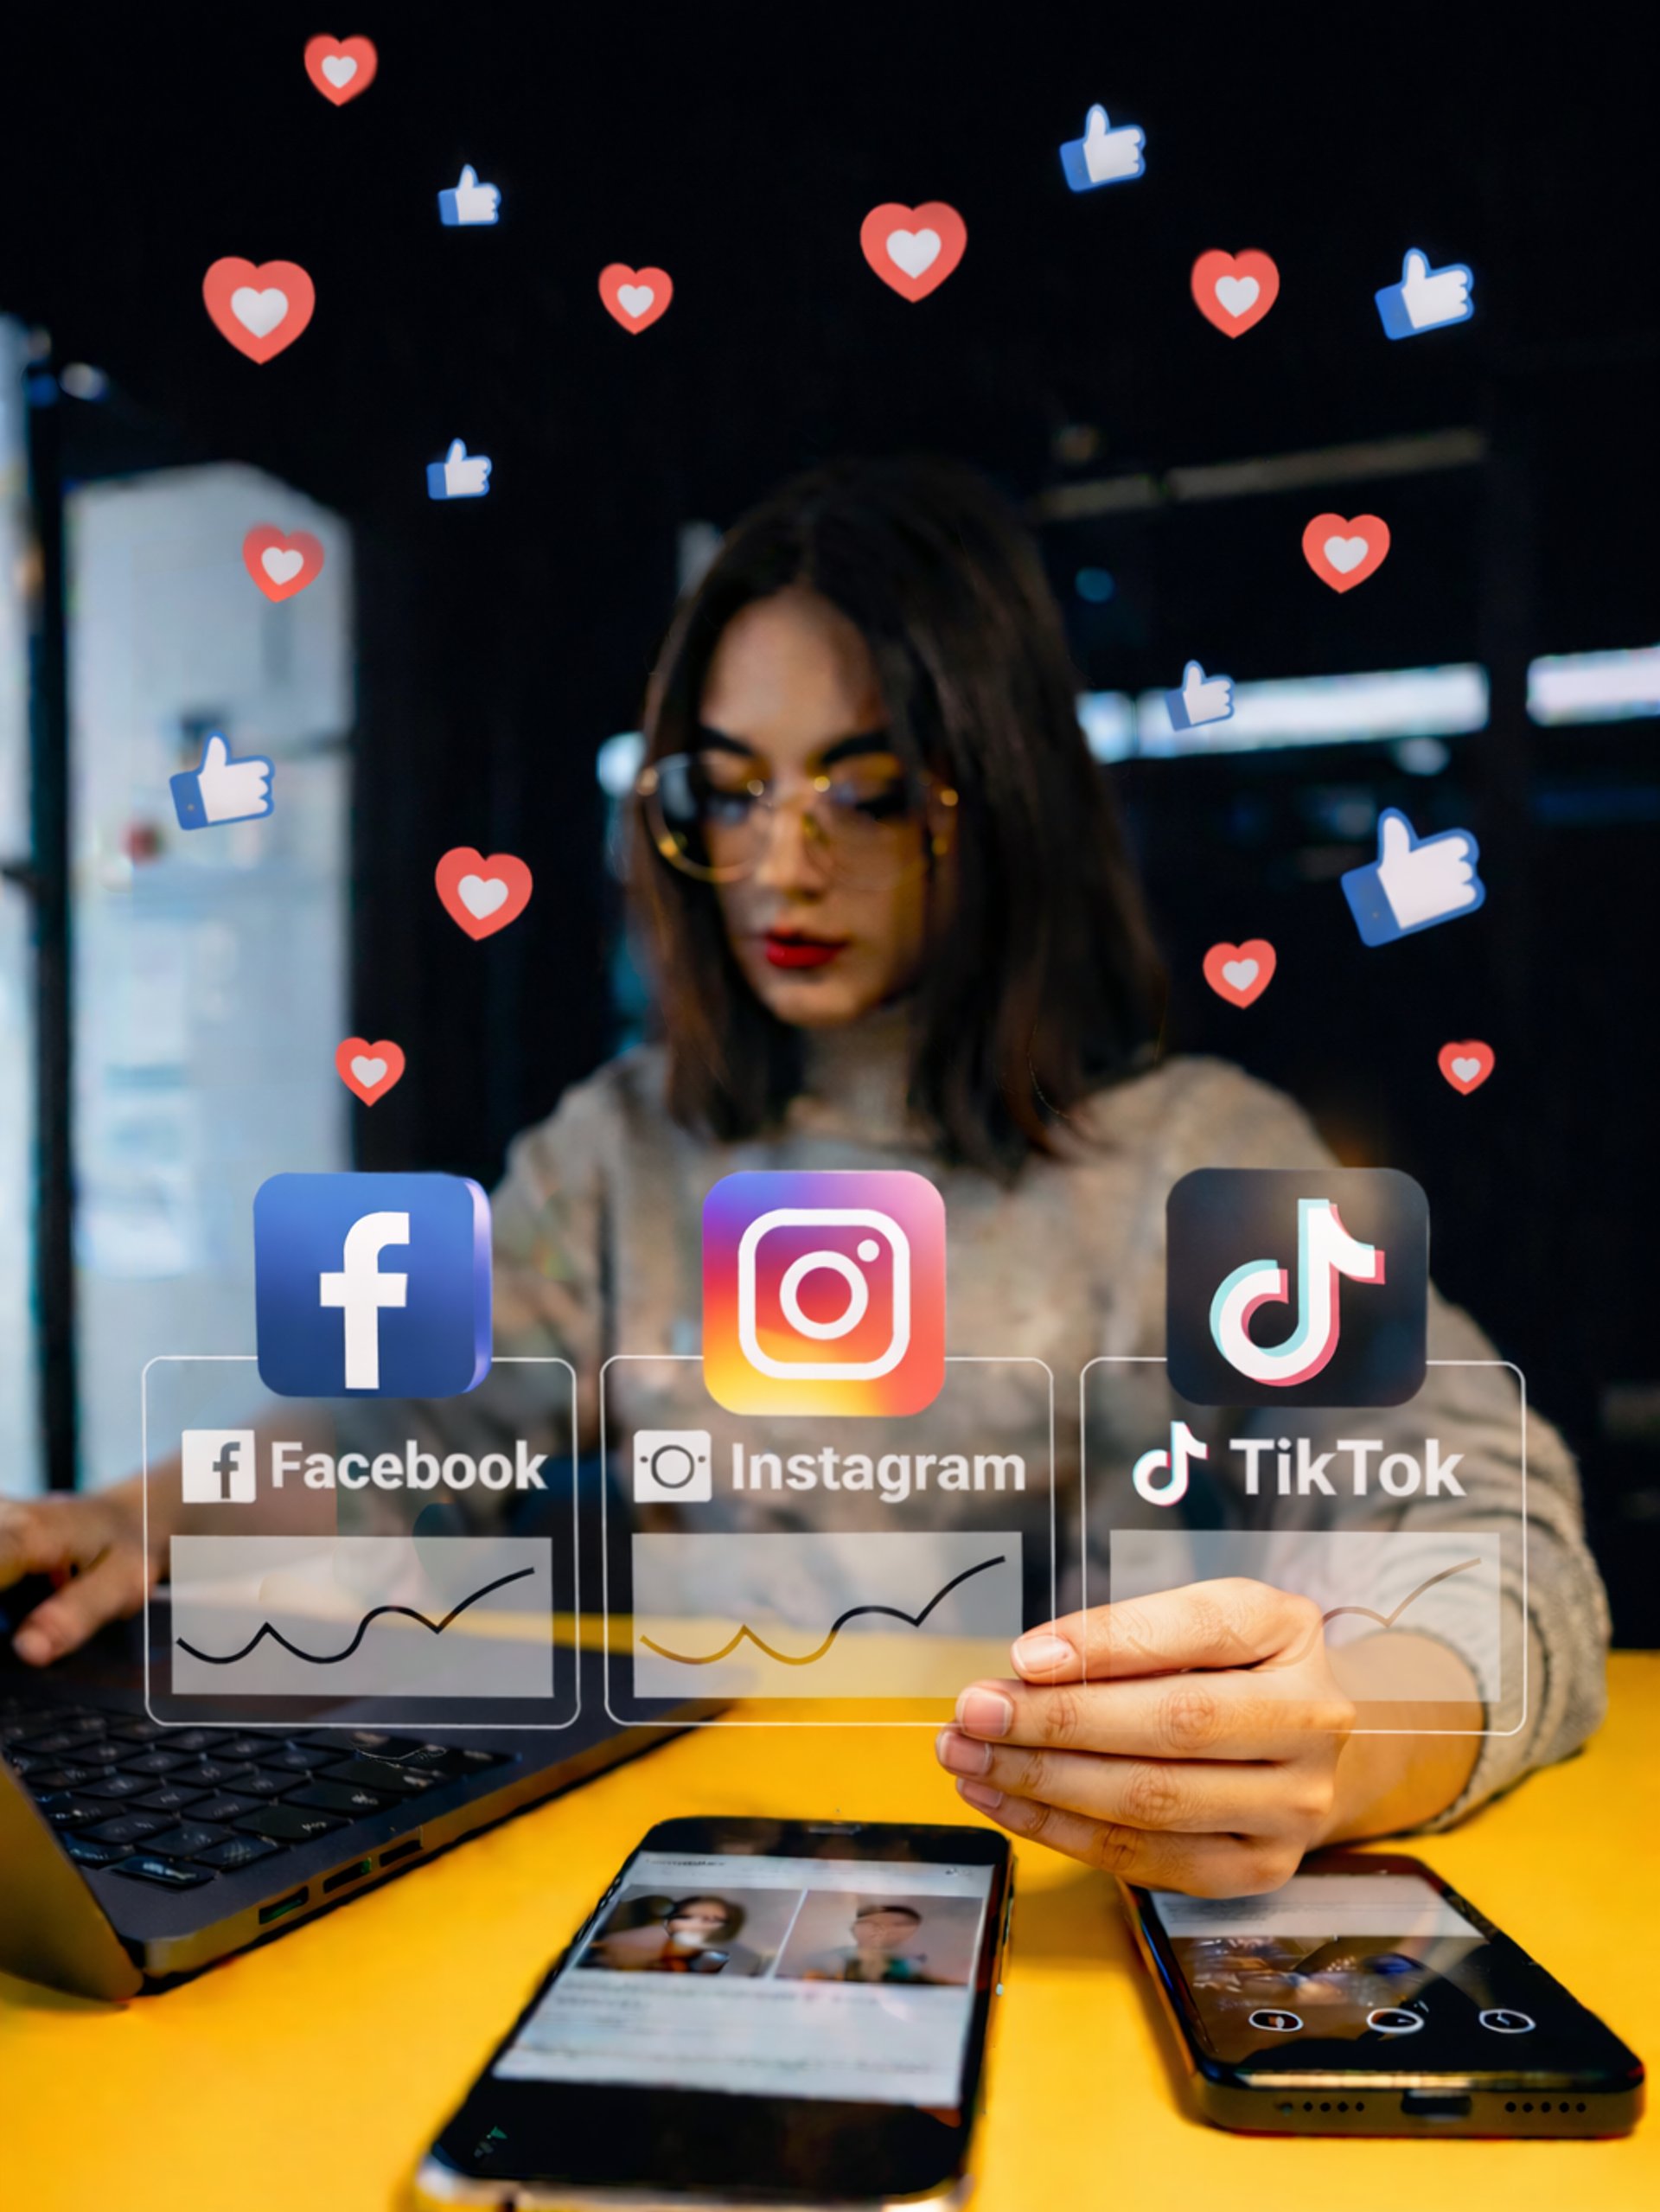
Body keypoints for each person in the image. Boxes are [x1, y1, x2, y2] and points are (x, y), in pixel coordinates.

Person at [0, 456, 1607, 1896]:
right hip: (699, 1873)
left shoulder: (1200, 1157)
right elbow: (405, 1418)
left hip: (1054, 1891)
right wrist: (147, 1516)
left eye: (868, 786)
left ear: (1002, 800)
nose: (783, 863)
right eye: (734, 787)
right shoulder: (624, 1147)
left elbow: (1484, 1515)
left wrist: (1364, 1739)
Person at [584, 1894, 763, 1977]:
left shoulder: (699, 1959)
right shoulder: (651, 1925)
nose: (702, 1922)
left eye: (712, 1920)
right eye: (687, 1916)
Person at [794, 1901, 948, 1985]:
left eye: (900, 1926)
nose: (884, 1931)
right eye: (876, 1924)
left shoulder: (908, 1966)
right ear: (855, 1928)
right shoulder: (825, 1959)